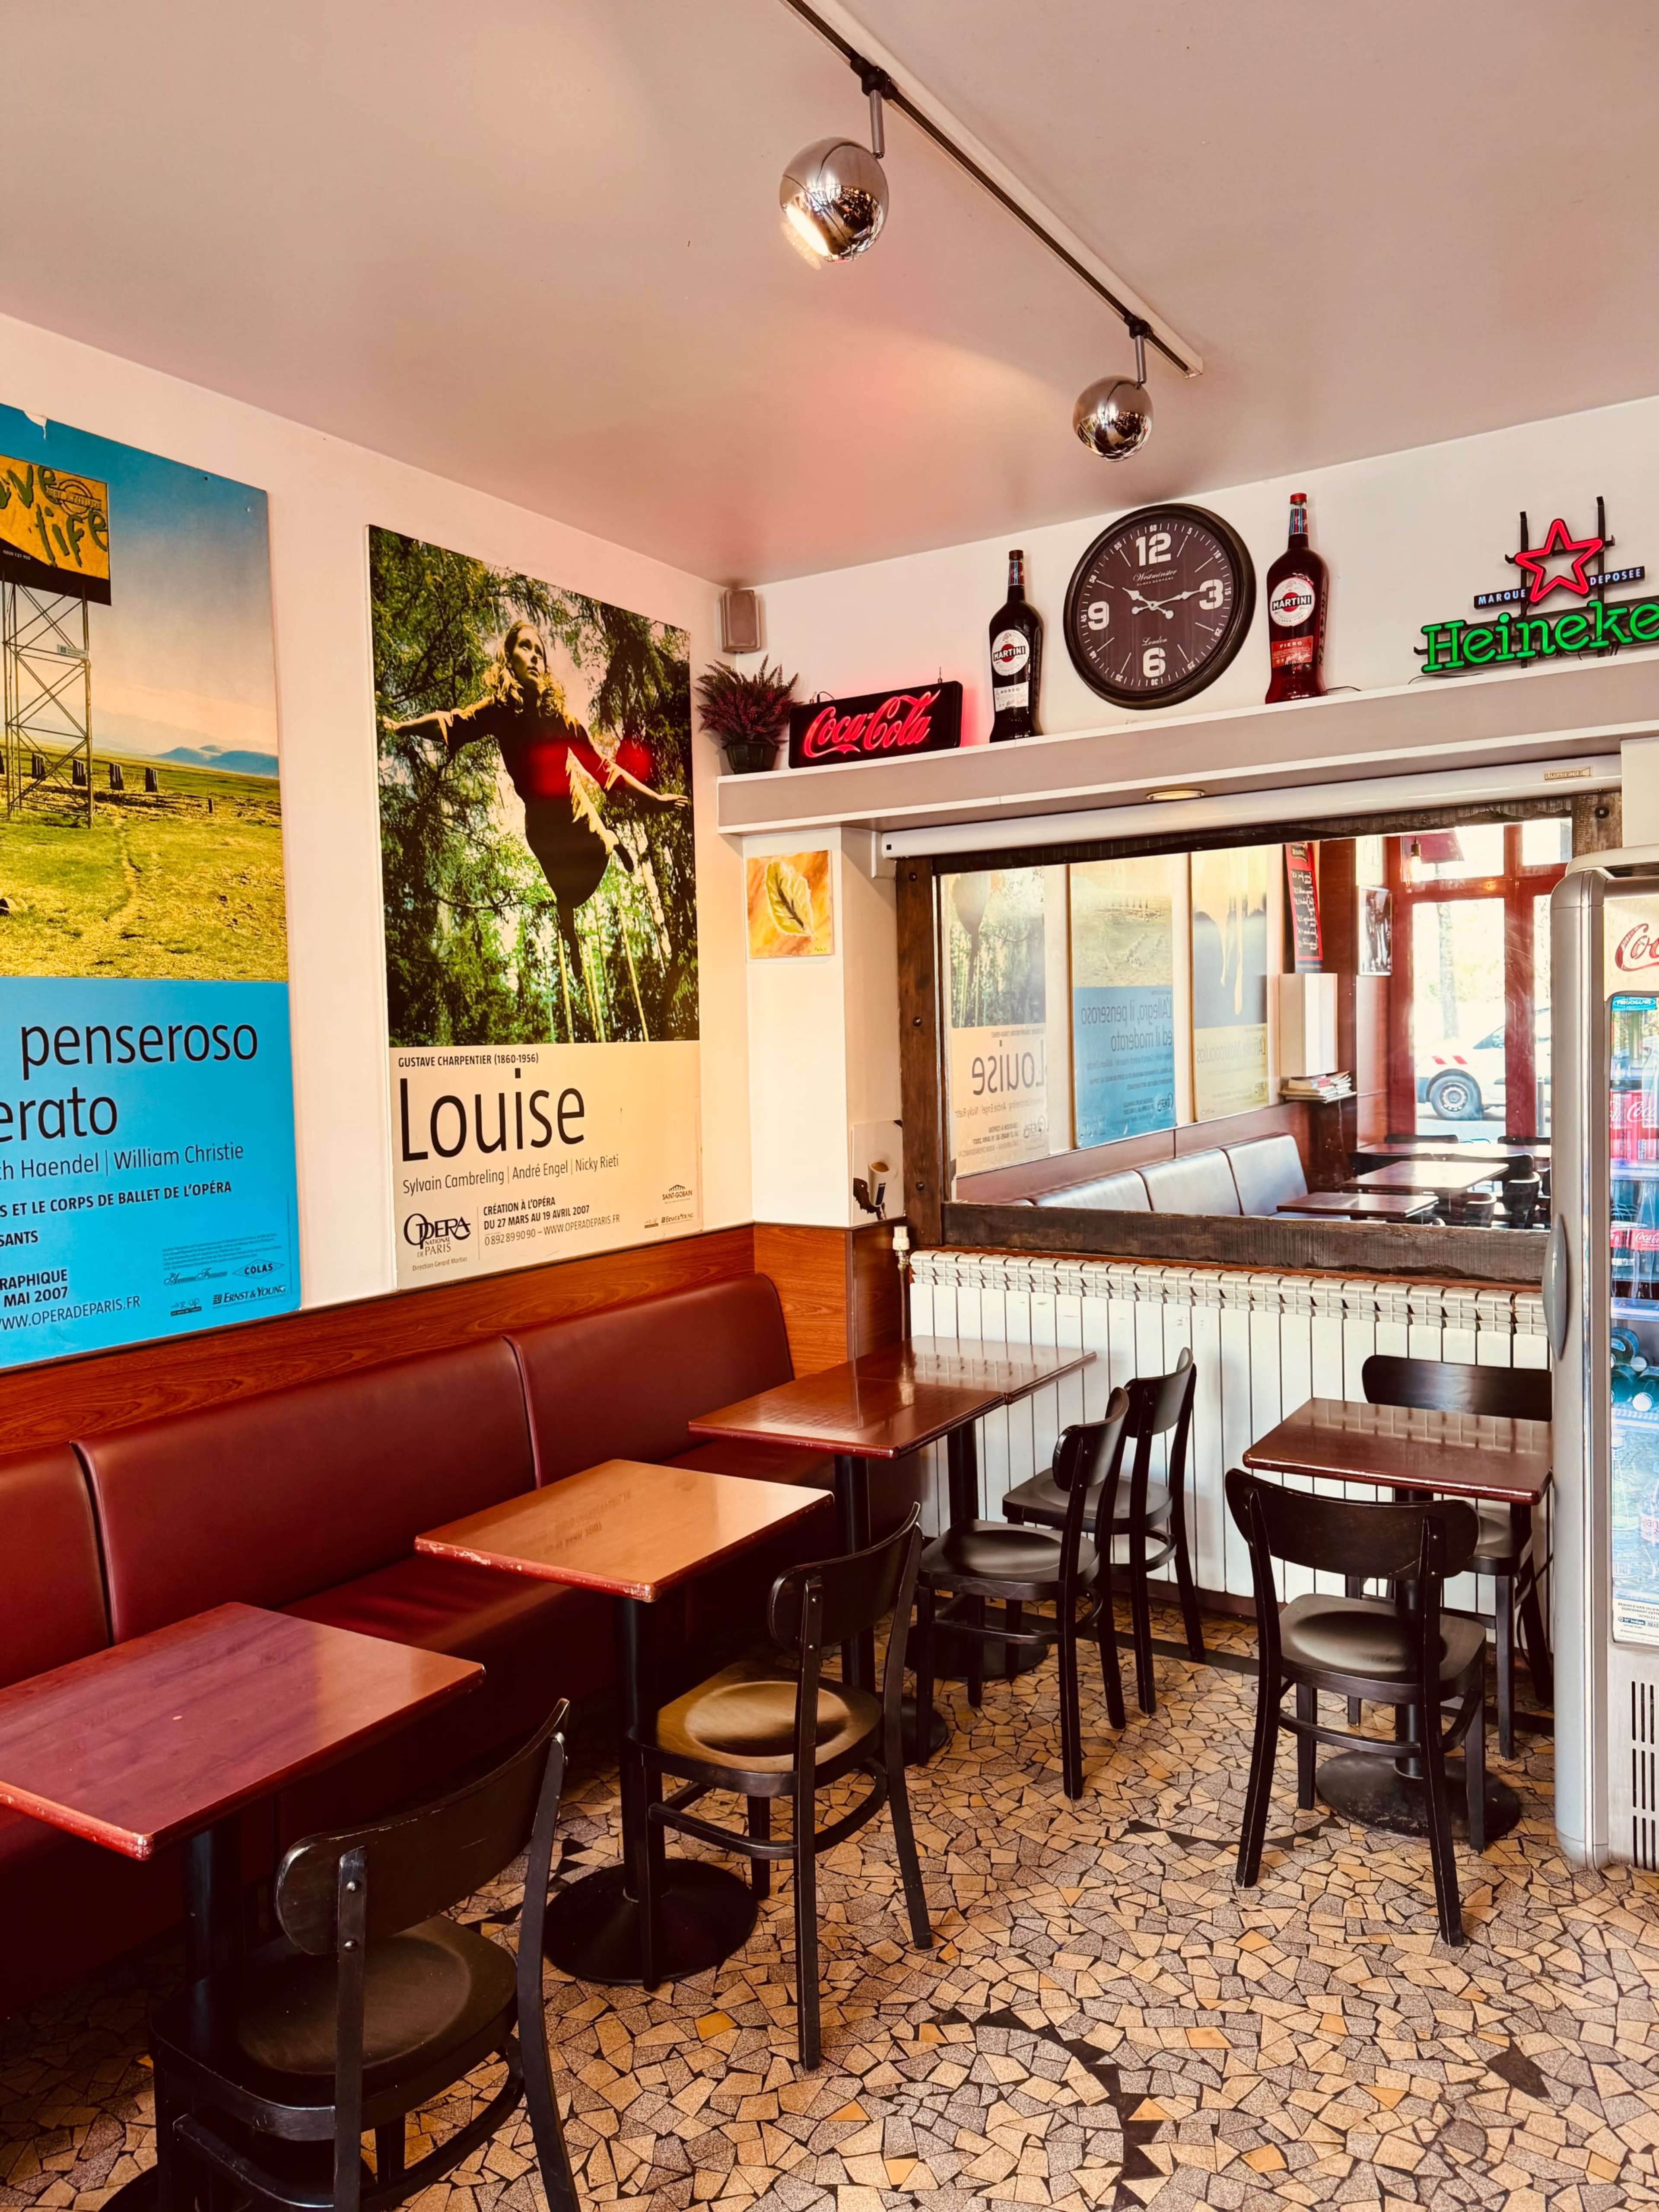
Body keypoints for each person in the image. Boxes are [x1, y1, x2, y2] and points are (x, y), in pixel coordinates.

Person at [392, 621, 688, 1023]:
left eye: (540, 651)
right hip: (542, 828)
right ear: (509, 659)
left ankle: (611, 838)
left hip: (575, 811)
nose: (535, 656)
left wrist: (655, 800)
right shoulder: (498, 711)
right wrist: (400, 726)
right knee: (564, 897)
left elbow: (605, 771)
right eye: (526, 648)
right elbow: (453, 723)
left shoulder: (561, 720)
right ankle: (573, 946)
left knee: (599, 845)